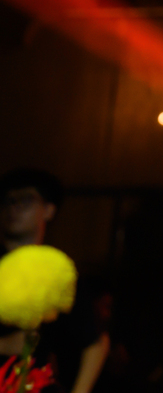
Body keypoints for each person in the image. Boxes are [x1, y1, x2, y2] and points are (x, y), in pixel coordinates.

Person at [0, 168, 107, 393]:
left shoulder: (57, 271)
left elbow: (95, 342)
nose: (14, 207)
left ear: (48, 210)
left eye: (26, 200)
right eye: (8, 201)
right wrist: (3, 345)